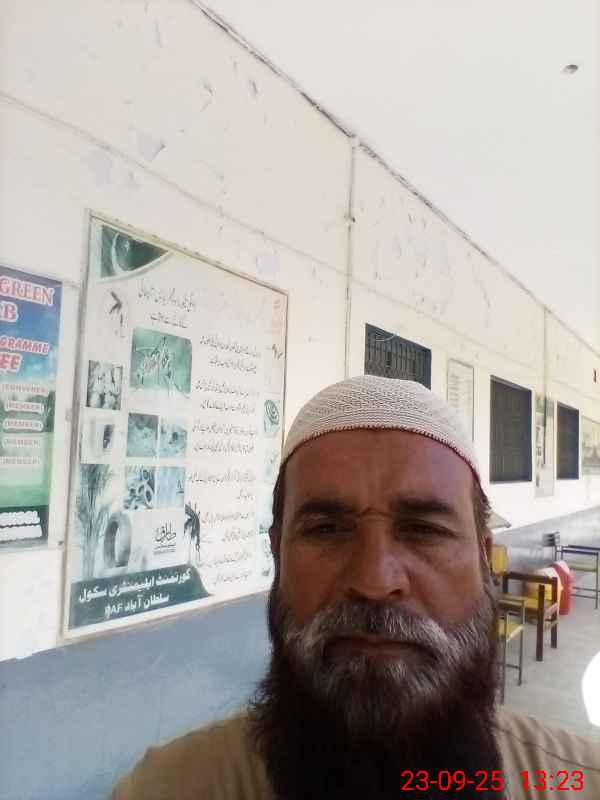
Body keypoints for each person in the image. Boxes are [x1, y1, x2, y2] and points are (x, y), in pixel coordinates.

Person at [112, 375, 600, 799]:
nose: (374, 581)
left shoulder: (579, 781)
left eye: (423, 530)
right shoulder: (166, 788)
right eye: (327, 529)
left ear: (483, 558)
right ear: (278, 554)